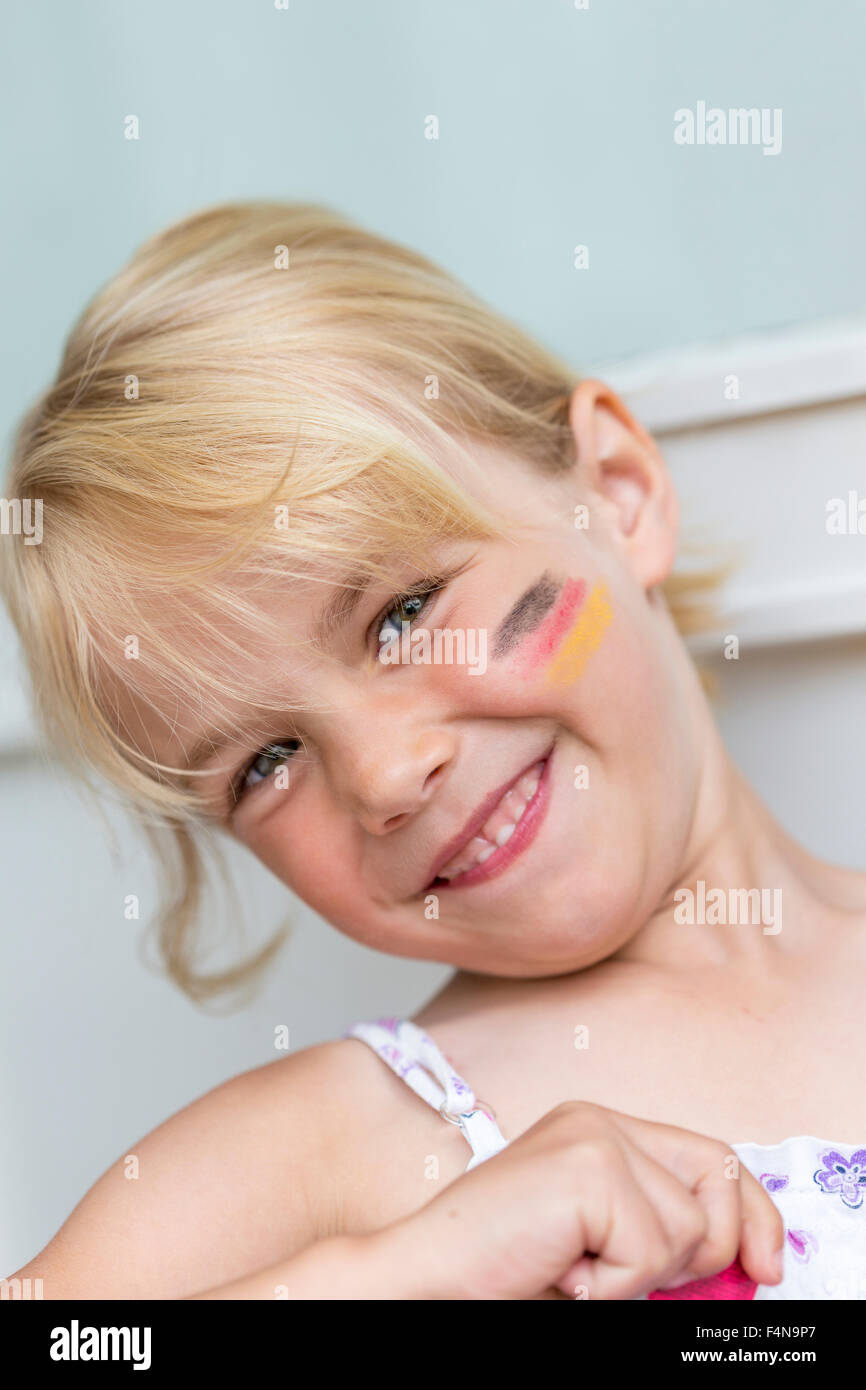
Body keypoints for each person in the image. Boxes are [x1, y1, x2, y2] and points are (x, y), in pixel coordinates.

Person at [5, 201, 860, 1300]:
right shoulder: (340, 1146)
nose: (381, 773)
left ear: (618, 491)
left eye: (403, 613)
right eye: (264, 763)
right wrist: (405, 1271)